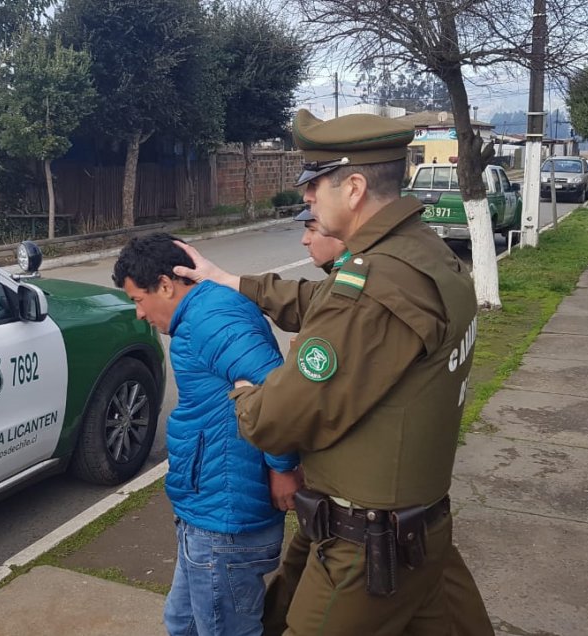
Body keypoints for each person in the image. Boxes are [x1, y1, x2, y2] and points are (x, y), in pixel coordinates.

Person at [174, 109, 492, 635]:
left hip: (368, 554)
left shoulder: (373, 289)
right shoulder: (420, 253)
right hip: (421, 531)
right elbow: (322, 301)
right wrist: (231, 280)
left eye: (314, 186)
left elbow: (280, 418)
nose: (306, 200)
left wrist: (246, 393)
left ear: (355, 188)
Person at [112, 233, 302, 636]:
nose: (140, 315)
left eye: (138, 301)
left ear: (166, 285)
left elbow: (275, 392)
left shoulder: (209, 319)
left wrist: (284, 468)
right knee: (183, 623)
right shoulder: (203, 313)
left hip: (226, 518)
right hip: (208, 508)